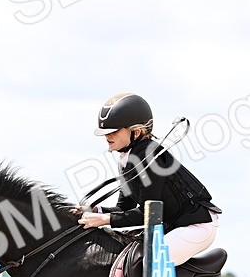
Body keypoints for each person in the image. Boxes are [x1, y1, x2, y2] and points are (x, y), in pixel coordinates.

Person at [77, 93, 221, 266]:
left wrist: (105, 219)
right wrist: (96, 210)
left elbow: (150, 214)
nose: (107, 136)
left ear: (136, 132)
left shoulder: (148, 155)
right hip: (172, 226)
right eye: (106, 132)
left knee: (151, 263)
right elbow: (124, 208)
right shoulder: (127, 159)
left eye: (113, 131)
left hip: (196, 226)